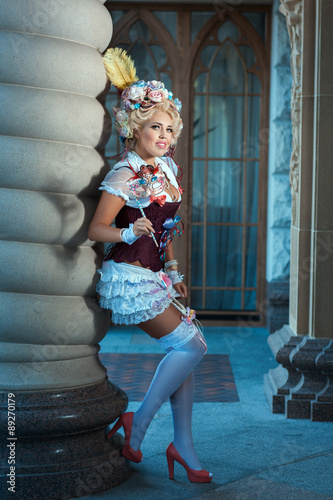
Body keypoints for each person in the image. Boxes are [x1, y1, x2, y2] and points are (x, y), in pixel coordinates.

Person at [88, 48, 212, 483]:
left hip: (156, 275)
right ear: (135, 129)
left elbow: (169, 227)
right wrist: (127, 233)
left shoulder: (167, 169)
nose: (163, 134)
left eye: (168, 127)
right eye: (154, 127)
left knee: (187, 352)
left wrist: (174, 272)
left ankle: (184, 446)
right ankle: (136, 425)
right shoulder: (125, 173)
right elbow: (96, 229)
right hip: (128, 276)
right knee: (191, 347)